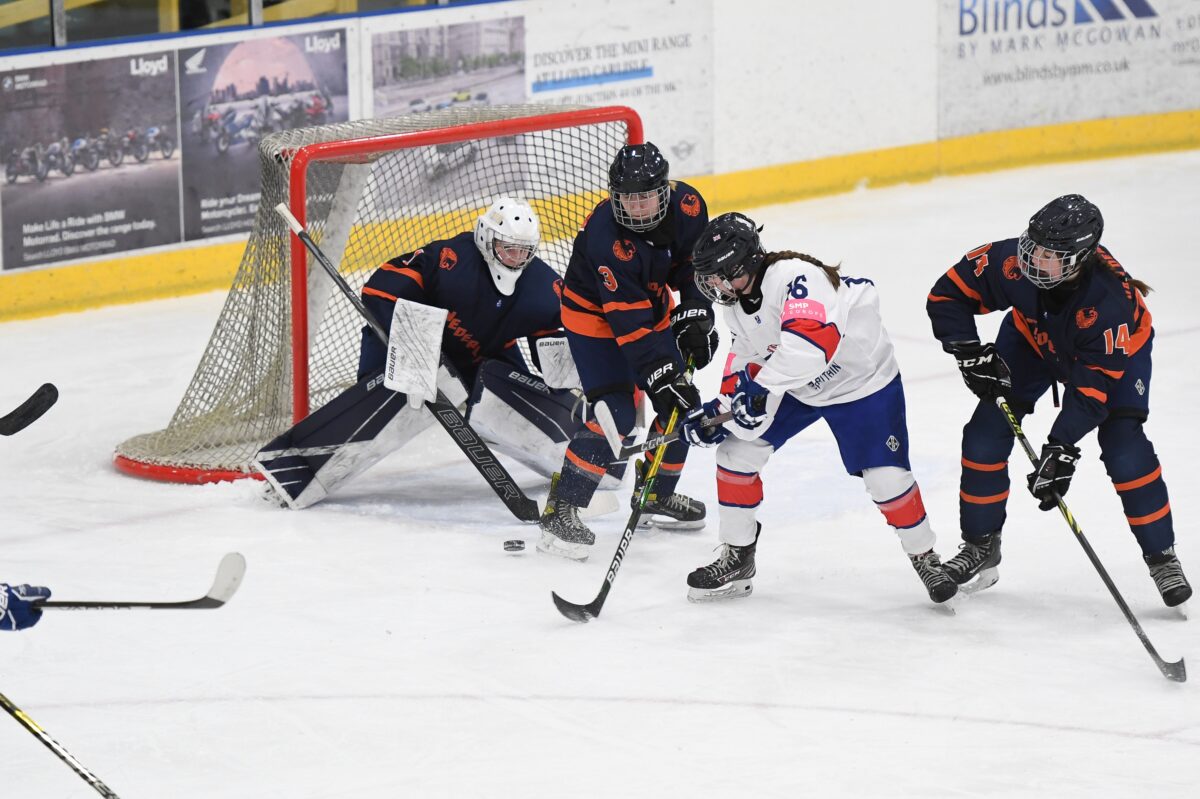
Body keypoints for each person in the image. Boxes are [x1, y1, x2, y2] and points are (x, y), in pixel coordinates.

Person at [257, 197, 615, 508]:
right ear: (487, 239)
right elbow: (381, 289)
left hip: (483, 357)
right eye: (508, 248)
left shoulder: (543, 286)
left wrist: (576, 377)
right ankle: (291, 470)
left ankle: (594, 464)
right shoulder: (450, 259)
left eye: (524, 252)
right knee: (386, 399)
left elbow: (552, 344)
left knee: (518, 396)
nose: (515, 259)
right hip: (410, 344)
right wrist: (415, 350)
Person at [926, 194, 1191, 607]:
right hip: (1034, 337)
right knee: (984, 434)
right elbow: (947, 295)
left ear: (1081, 259)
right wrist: (967, 350)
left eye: (1050, 256)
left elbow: (1091, 391)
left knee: (1124, 448)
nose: (1033, 261)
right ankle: (981, 545)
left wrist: (1061, 447)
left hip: (1117, 357)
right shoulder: (1011, 262)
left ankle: (1161, 556)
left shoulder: (1109, 304)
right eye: (1033, 247)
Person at [679, 212, 958, 604]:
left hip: (861, 383)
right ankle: (738, 557)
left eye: (720, 275)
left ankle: (925, 556)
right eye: (709, 277)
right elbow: (747, 358)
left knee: (886, 481)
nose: (714, 285)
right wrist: (721, 412)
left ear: (743, 265)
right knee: (736, 452)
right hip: (795, 385)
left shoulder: (796, 278)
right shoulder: (737, 305)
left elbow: (811, 349)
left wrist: (756, 391)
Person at [538, 141, 717, 560]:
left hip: (650, 305)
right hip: (594, 319)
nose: (636, 208)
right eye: (627, 199)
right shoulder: (606, 237)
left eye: (646, 198)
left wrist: (695, 312)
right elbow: (628, 323)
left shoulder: (689, 205)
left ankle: (654, 494)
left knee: (681, 406)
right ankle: (561, 510)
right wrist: (658, 372)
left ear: (665, 191)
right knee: (616, 411)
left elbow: (696, 266)